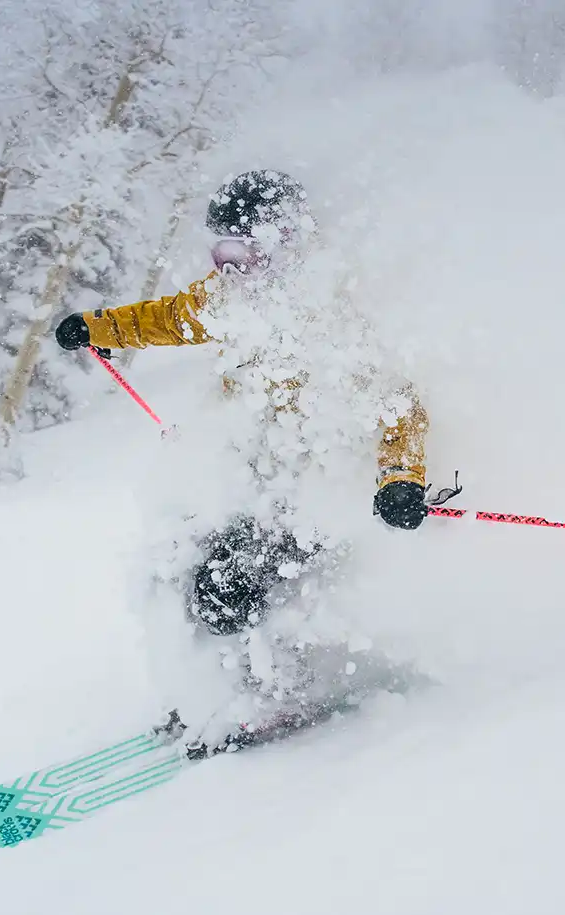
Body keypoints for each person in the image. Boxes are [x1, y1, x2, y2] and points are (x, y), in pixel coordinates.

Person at [52, 170, 432, 642]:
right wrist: (99, 327)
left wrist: (401, 478)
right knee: (186, 565)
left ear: (284, 241)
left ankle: (287, 681)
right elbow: (169, 319)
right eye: (221, 256)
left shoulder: (342, 307)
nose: (230, 271)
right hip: (251, 467)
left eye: (241, 255)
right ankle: (211, 691)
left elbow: (399, 405)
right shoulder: (228, 297)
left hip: (324, 476)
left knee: (253, 581)